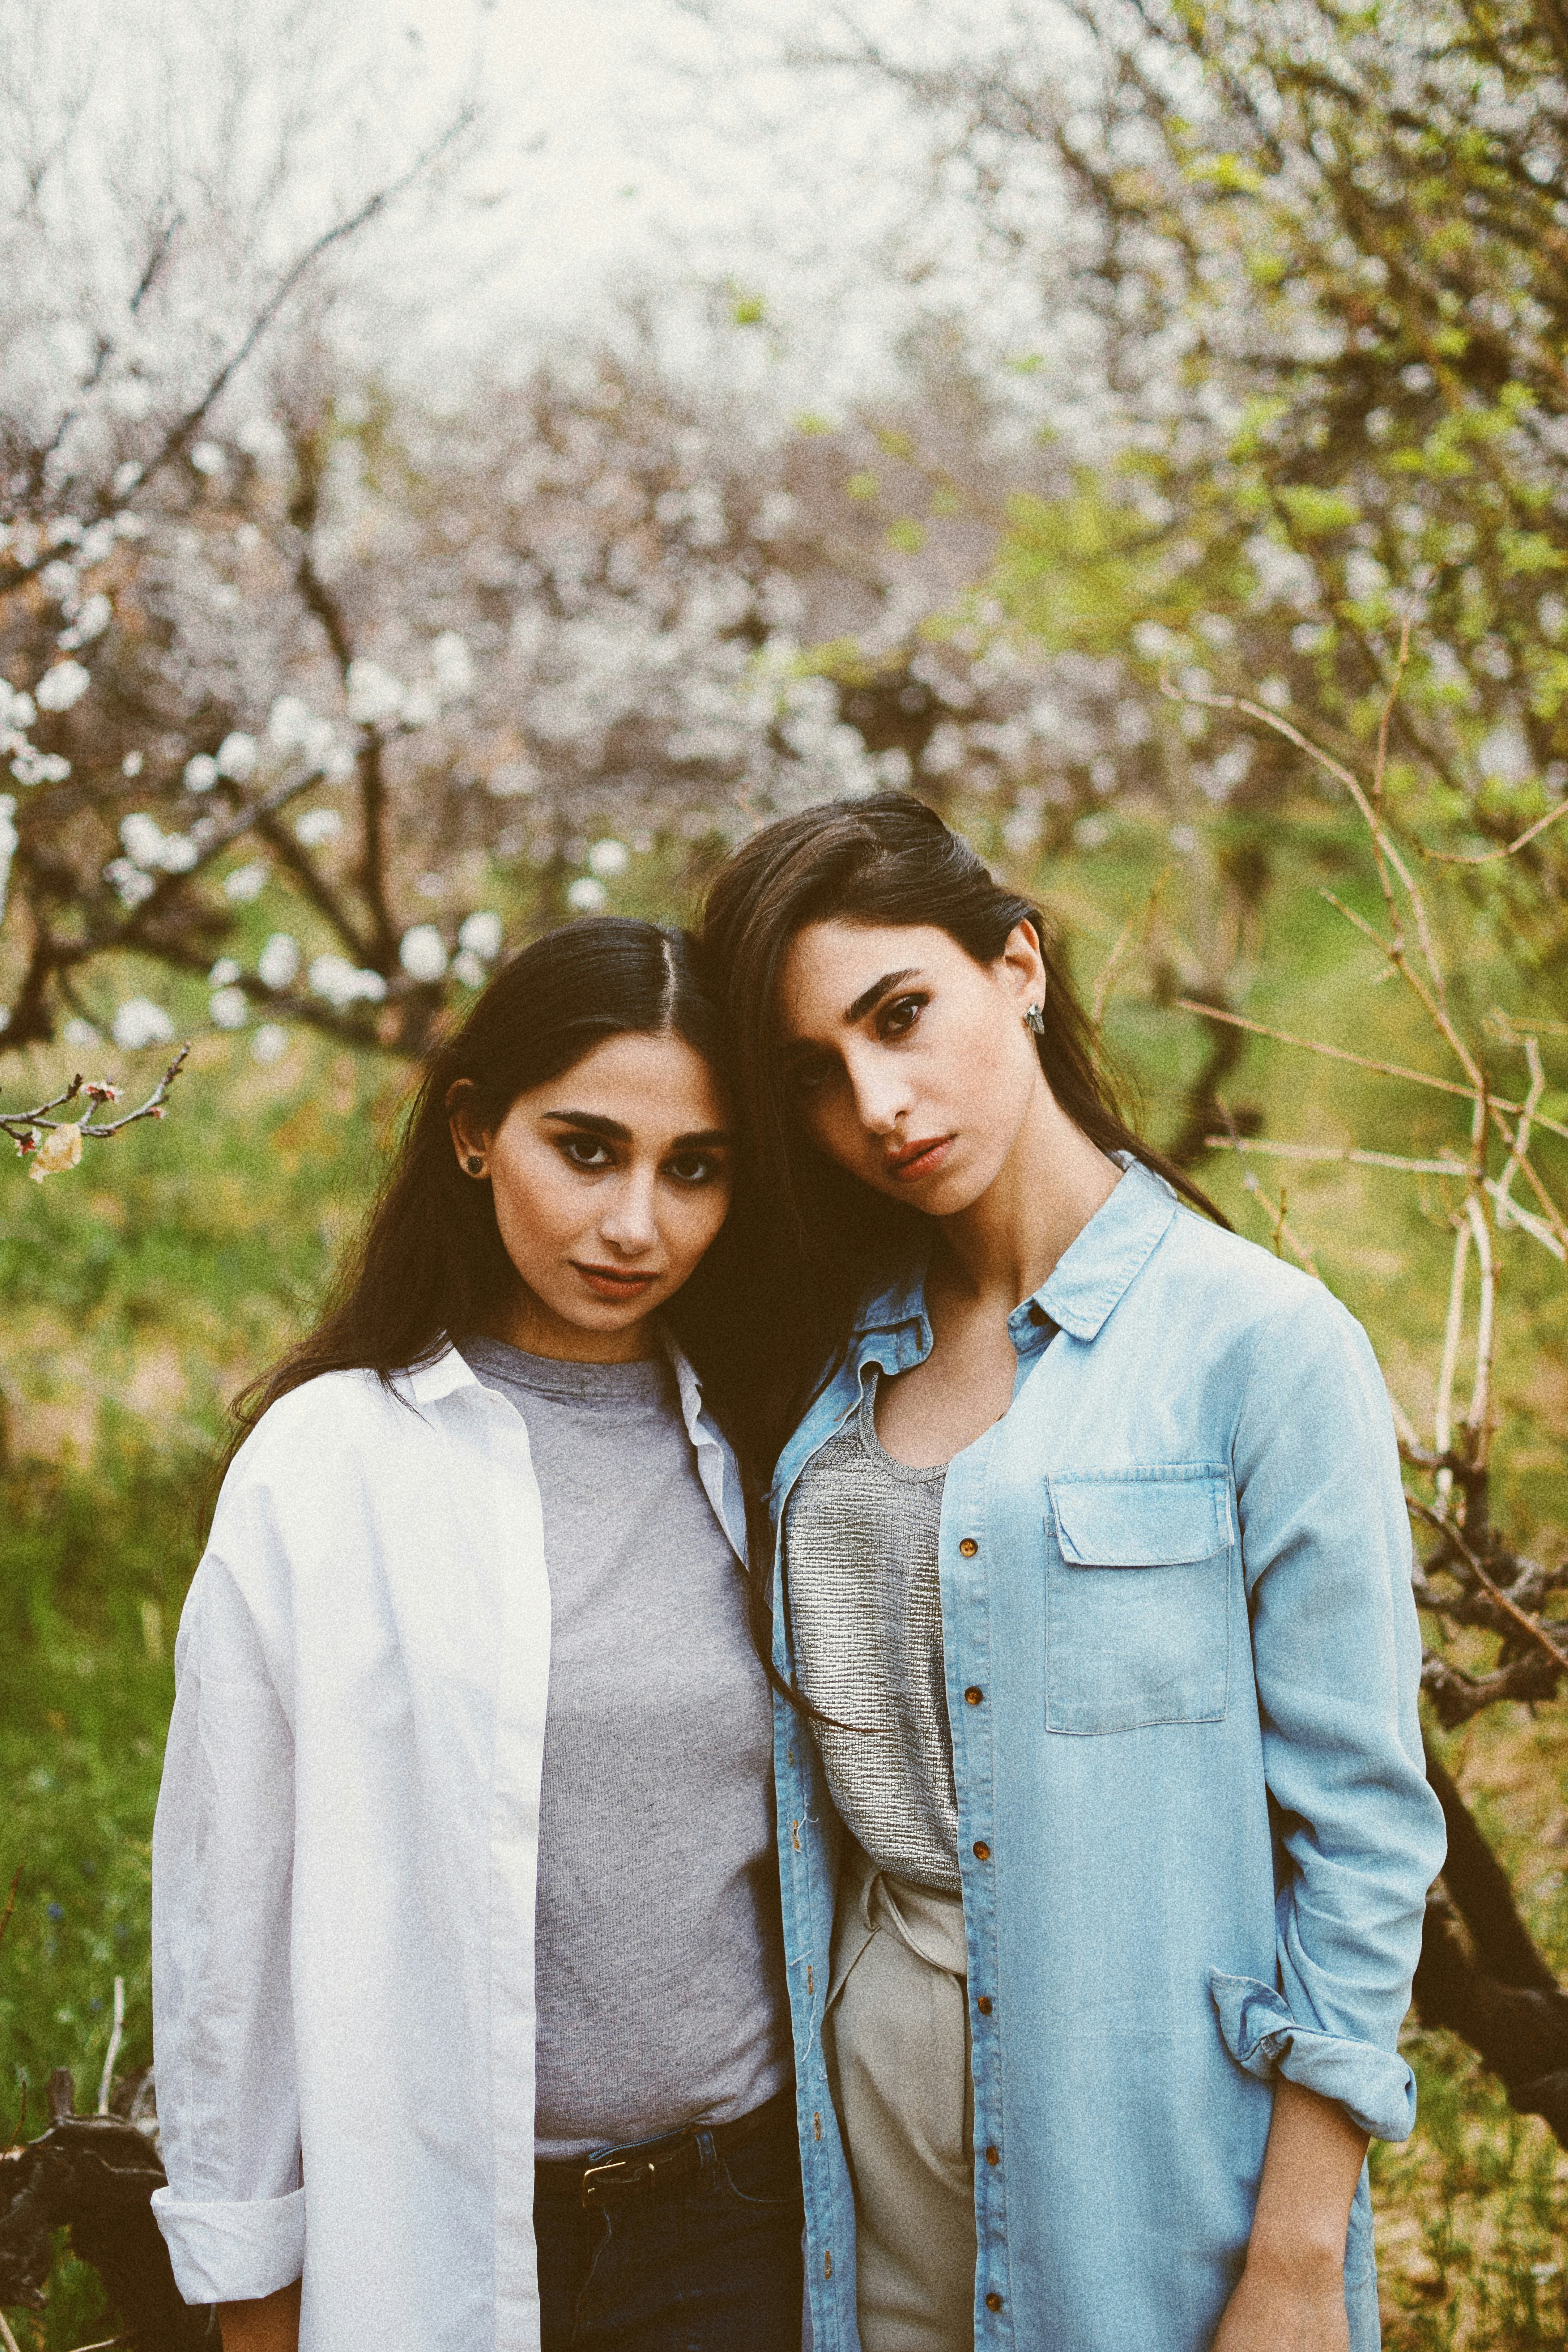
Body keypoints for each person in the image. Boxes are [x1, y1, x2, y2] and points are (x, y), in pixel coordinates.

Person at [697, 794, 1446, 2352]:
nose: (882, 1103)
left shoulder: (1258, 1344)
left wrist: (1299, 2255)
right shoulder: (816, 1364)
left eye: (901, 1016)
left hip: (1155, 2163)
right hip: (867, 2152)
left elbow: (1365, 1837)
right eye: (815, 1078)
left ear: (1017, 965)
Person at [150, 918, 804, 2352]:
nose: (637, 1223)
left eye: (693, 1169)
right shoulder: (327, 1468)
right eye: (586, 1149)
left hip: (739, 2228)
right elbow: (228, 1909)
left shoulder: (779, 1444)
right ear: (471, 1132)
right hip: (431, 2226)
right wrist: (251, 2288)